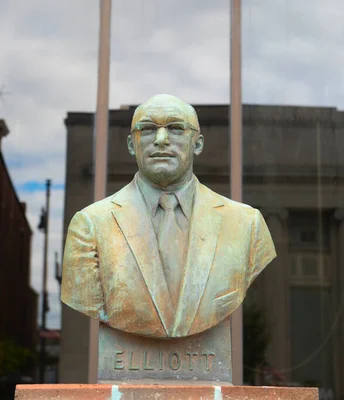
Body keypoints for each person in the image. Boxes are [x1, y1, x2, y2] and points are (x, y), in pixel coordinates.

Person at [61, 94, 276, 338]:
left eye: (175, 128)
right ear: (132, 144)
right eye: (148, 129)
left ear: (198, 143)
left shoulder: (247, 224)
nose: (161, 140)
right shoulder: (90, 224)